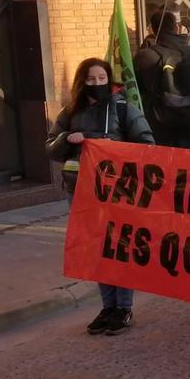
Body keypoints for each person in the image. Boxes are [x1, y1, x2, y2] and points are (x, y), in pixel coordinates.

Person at [46, 57, 154, 336]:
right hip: (80, 192)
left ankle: (124, 308)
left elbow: (147, 146)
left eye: (101, 79)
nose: (96, 84)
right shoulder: (70, 112)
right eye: (91, 80)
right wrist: (67, 139)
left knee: (118, 249)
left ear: (109, 79)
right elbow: (50, 146)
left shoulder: (123, 109)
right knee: (97, 252)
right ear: (82, 82)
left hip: (117, 193)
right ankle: (107, 307)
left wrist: (113, 149)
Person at [134, 10, 190, 149]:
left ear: (153, 29)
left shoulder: (143, 58)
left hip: (159, 131)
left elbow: (136, 94)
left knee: (163, 170)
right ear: (176, 28)